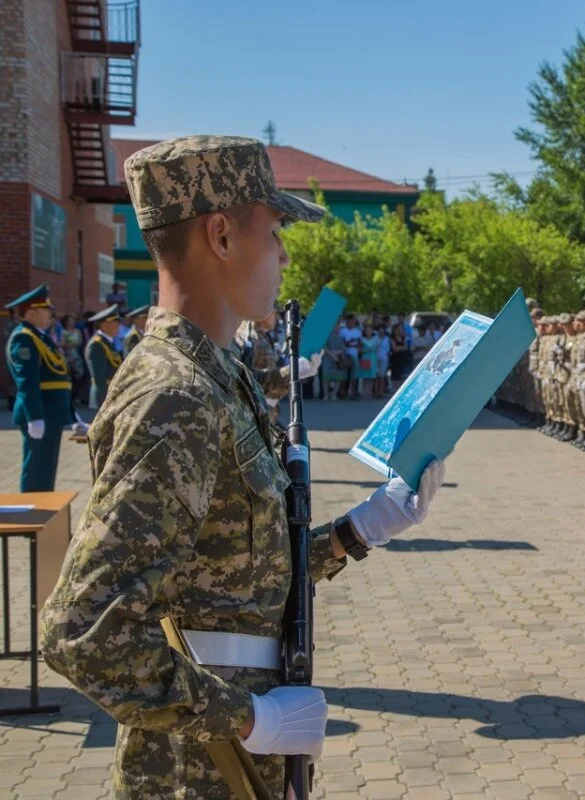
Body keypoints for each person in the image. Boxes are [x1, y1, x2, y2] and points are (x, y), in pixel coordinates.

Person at [39, 135, 445, 798]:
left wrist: (363, 528)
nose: (285, 254)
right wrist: (251, 719)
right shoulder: (174, 394)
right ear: (221, 235)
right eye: (276, 230)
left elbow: (234, 568)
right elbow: (85, 630)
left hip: (239, 762)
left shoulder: (220, 375)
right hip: (196, 772)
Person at [5, 284, 74, 491]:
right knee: (36, 469)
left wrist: (73, 414)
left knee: (46, 469)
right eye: (46, 311)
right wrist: (34, 417)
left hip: (51, 413)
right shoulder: (24, 337)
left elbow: (60, 377)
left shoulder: (41, 337)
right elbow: (27, 381)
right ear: (32, 313)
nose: (50, 316)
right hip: (40, 413)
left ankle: (43, 511)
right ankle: (31, 510)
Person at [85, 305, 123, 409]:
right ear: (105, 324)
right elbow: (99, 378)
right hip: (104, 397)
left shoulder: (107, 343)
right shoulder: (97, 344)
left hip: (112, 394)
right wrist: (105, 401)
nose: (118, 326)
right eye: (116, 323)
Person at [59, 313, 86, 405]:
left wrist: (70, 345)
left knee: (79, 375)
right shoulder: (63, 331)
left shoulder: (77, 331)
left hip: (76, 355)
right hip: (67, 355)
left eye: (72, 321)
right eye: (69, 321)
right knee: (69, 375)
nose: (71, 322)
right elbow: (62, 343)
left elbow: (80, 342)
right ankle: (71, 396)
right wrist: (68, 345)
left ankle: (77, 395)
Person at [339, 315, 363, 399]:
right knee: (344, 375)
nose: (351, 323)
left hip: (354, 355)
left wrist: (353, 344)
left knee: (354, 375)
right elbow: (342, 343)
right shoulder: (342, 331)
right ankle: (343, 393)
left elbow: (360, 344)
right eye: (350, 321)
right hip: (345, 355)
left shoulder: (357, 332)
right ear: (347, 321)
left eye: (353, 321)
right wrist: (350, 342)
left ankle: (353, 393)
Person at [359, 324, 379, 398]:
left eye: (370, 330)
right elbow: (359, 350)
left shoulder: (375, 339)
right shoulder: (362, 339)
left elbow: (377, 348)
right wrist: (366, 350)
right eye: (367, 330)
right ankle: (365, 393)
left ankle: (369, 393)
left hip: (373, 358)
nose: (368, 331)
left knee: (371, 377)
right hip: (365, 358)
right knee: (365, 377)